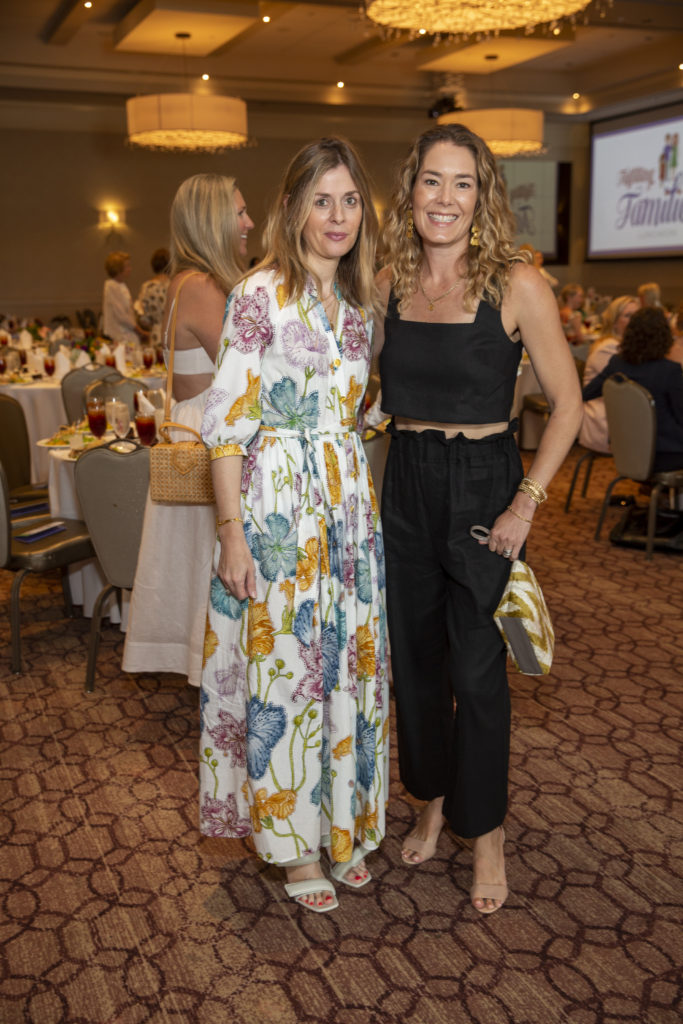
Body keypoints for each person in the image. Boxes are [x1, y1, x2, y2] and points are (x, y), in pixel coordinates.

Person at [375, 123, 582, 914]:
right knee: (416, 665)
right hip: (405, 482)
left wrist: (525, 502)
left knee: (476, 673)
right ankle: (431, 801)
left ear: (481, 196)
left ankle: (484, 834)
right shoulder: (388, 282)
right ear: (411, 190)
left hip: (483, 489)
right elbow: (363, 390)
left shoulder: (516, 284)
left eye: (462, 183)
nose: (445, 198)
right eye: (432, 180)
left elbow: (567, 405)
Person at [198, 137, 389, 914]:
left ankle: (342, 829)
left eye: (349, 200)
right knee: (288, 674)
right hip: (276, 512)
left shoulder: (359, 305)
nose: (337, 216)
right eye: (321, 200)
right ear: (292, 209)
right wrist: (231, 533)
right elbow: (224, 427)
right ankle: (293, 845)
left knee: (346, 670)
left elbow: (357, 413)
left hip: (347, 513)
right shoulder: (257, 294)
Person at [122, 174, 254, 686]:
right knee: (220, 559)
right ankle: (224, 672)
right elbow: (250, 369)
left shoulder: (185, 281)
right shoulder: (202, 286)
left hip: (193, 427)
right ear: (212, 220)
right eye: (239, 213)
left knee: (201, 560)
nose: (249, 222)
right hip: (210, 433)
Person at [582, 306, 683, 471]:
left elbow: (586, 394)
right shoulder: (669, 371)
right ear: (665, 336)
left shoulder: (617, 364)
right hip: (666, 454)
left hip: (626, 450)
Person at [579, 294, 639, 452]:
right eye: (628, 315)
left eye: (637, 315)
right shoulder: (609, 347)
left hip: (620, 409)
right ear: (614, 321)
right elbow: (625, 388)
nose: (634, 320)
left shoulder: (625, 346)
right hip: (604, 416)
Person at [102, 251, 144, 357]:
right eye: (127, 266)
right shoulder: (112, 286)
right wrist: (139, 331)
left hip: (128, 333)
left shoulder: (121, 285)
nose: (130, 269)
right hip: (122, 334)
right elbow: (121, 316)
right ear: (118, 269)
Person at [135, 248, 170, 347]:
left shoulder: (147, 287)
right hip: (174, 335)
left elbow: (143, 319)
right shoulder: (174, 285)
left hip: (156, 335)